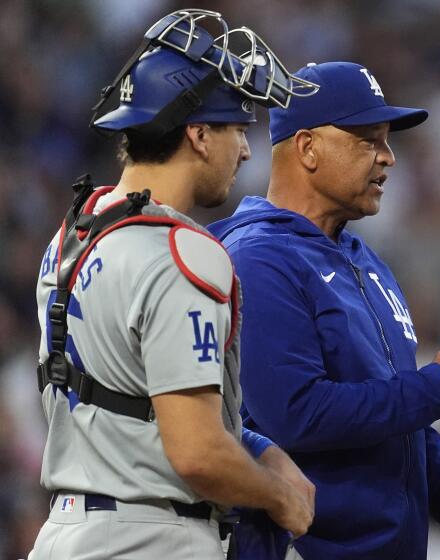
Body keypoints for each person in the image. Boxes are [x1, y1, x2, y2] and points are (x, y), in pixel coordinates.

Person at [208, 61, 440, 560]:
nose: (389, 158)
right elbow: (295, 415)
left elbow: (397, 421)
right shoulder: (257, 258)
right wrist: (439, 387)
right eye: (369, 140)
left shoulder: (364, 260)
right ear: (307, 147)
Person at [29, 10, 319, 560]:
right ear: (199, 133)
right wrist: (279, 496)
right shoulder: (182, 252)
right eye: (238, 127)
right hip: (151, 536)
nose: (248, 149)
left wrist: (255, 447)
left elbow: (129, 404)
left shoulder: (73, 231)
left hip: (65, 532)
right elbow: (197, 453)